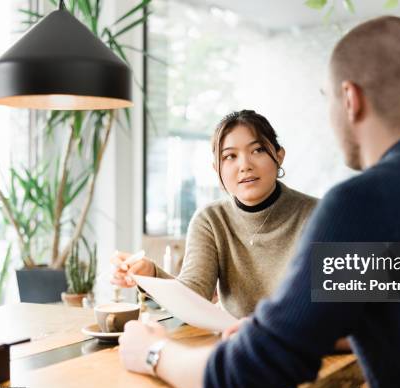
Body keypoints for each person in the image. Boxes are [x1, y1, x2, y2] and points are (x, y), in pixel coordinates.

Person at [118, 16, 400, 388]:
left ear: (350, 99)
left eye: (327, 99)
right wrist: (298, 332)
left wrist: (153, 353)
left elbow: (246, 383)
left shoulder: (361, 203)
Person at [111, 110, 317, 318]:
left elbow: (341, 308)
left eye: (258, 150)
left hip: (301, 343)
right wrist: (150, 274)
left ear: (279, 156)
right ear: (216, 168)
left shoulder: (321, 215)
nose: (245, 165)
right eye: (230, 156)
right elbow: (193, 295)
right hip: (232, 342)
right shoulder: (210, 220)